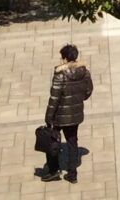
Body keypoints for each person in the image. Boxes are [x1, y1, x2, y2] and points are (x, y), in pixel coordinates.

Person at [40, 43, 94, 183]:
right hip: (75, 115)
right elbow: (88, 91)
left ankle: (53, 171)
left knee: (52, 142)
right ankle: (72, 174)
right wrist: (78, 100)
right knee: (72, 142)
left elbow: (54, 99)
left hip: (58, 117)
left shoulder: (60, 76)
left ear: (64, 58)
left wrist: (48, 117)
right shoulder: (85, 72)